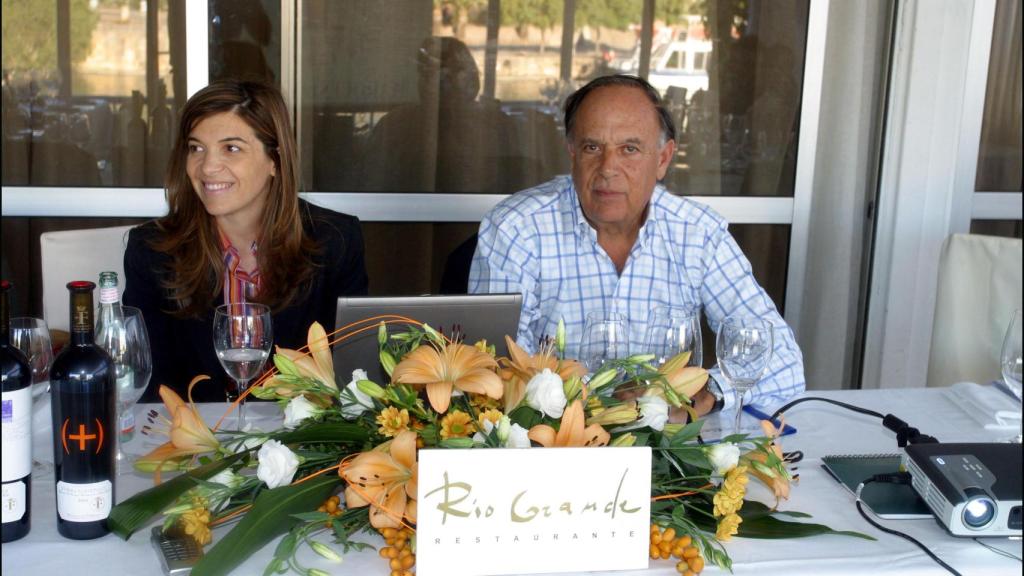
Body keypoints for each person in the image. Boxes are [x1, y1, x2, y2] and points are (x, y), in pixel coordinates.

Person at [469, 74, 804, 415]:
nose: (608, 168)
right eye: (592, 147)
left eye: (629, 149)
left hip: (665, 444)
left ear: (662, 159)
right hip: (553, 443)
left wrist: (706, 393)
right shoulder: (516, 229)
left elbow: (781, 359)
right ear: (572, 153)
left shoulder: (697, 233)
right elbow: (490, 370)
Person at [124, 80, 368, 402]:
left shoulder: (334, 241)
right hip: (198, 437)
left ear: (274, 161)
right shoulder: (152, 250)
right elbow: (150, 382)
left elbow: (352, 372)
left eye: (231, 148)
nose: (208, 167)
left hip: (301, 438)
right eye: (196, 148)